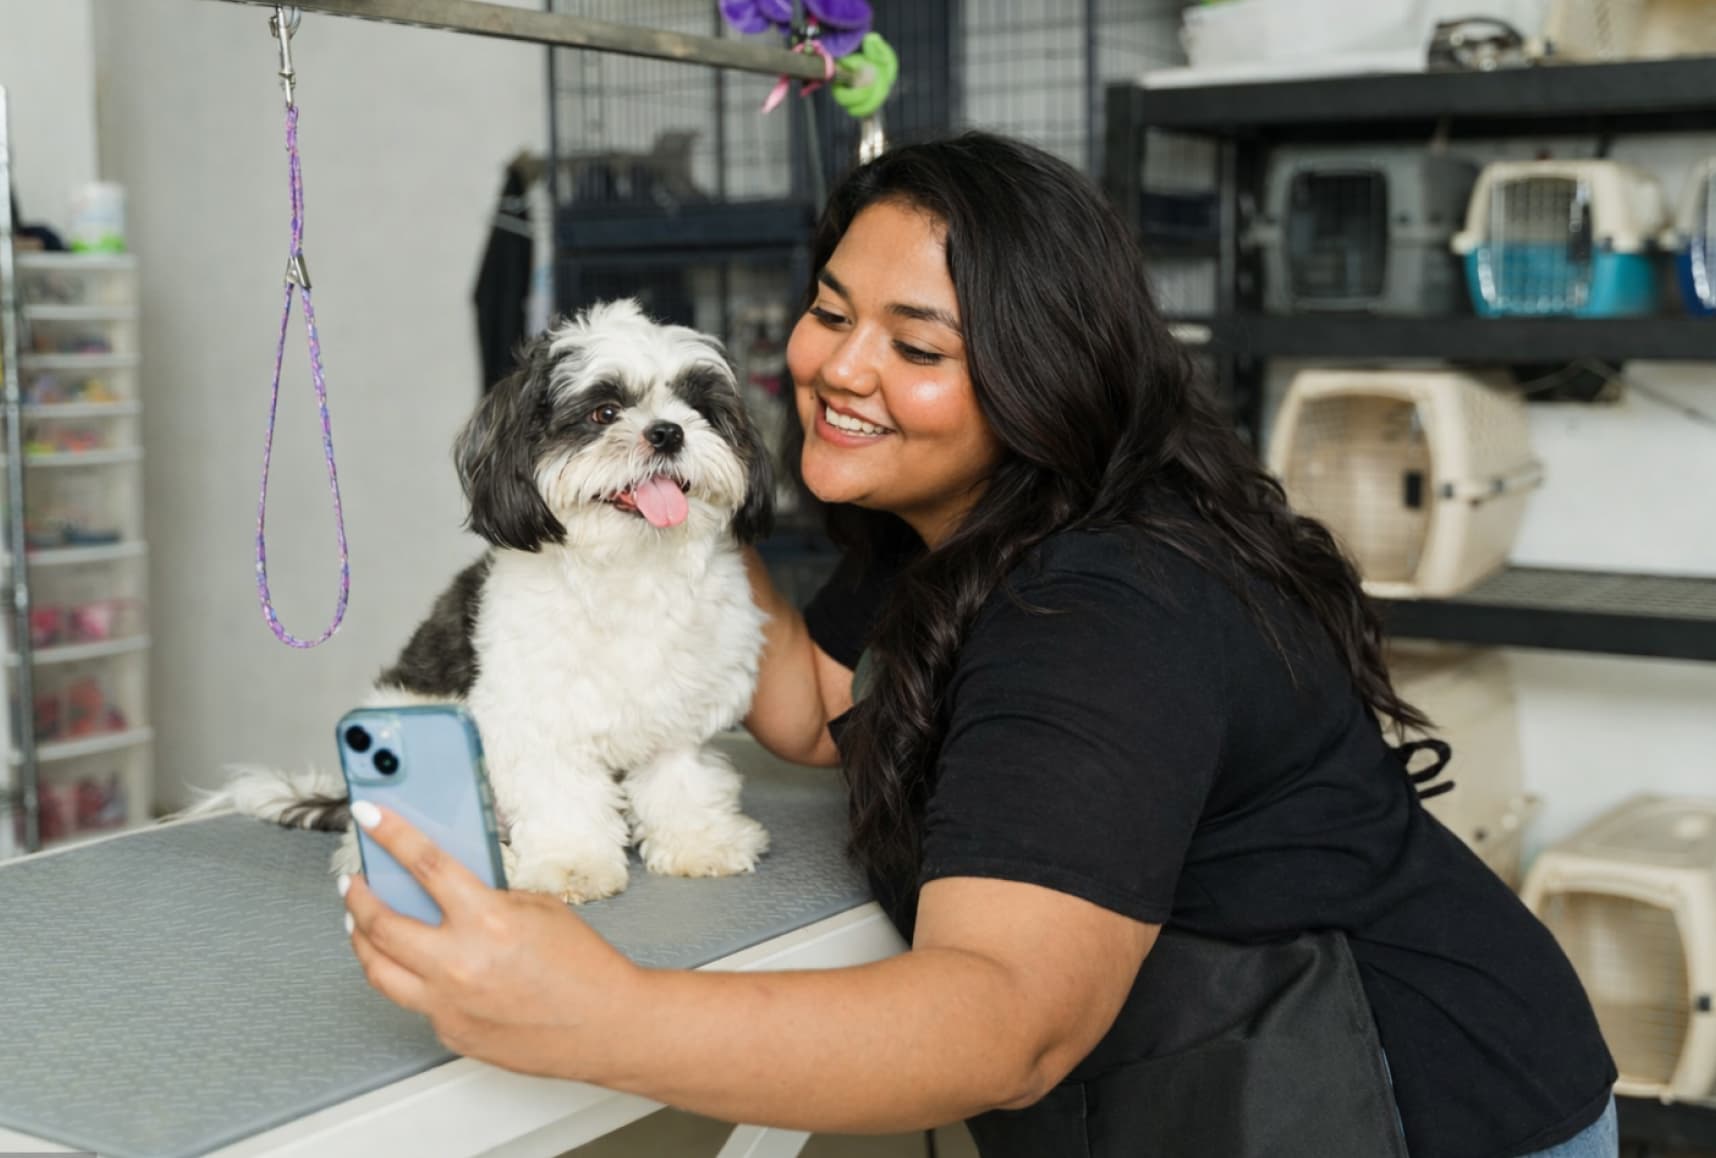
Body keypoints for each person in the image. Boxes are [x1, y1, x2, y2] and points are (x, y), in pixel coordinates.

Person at [339, 133, 1618, 1157]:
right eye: (831, 310)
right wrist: (655, 501)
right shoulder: (945, 525)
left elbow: (1006, 1024)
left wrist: (600, 1015)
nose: (840, 367)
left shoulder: (1107, 610)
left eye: (917, 346)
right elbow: (808, 708)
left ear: (1041, 371)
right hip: (1232, 1079)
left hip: (1417, 1100)